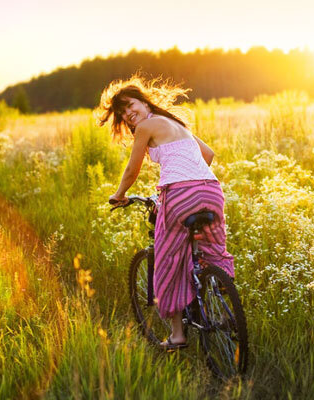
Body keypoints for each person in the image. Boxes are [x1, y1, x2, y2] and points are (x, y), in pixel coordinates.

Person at [98, 76, 234, 350]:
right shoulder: (177, 125)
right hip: (211, 191)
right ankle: (219, 300)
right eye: (123, 113)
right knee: (211, 253)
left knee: (168, 260)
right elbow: (208, 154)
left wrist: (119, 194)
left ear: (143, 100)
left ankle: (178, 334)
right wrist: (188, 173)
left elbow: (132, 169)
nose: (128, 114)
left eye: (130, 105)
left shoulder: (146, 126)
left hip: (180, 196)